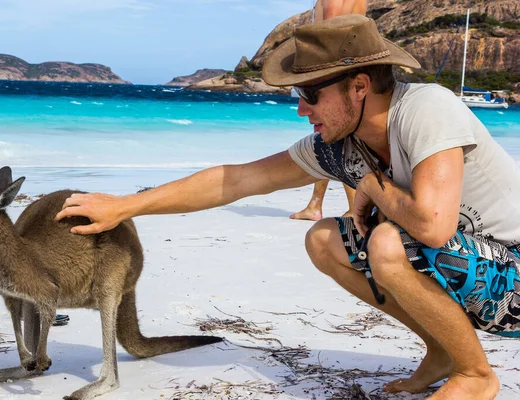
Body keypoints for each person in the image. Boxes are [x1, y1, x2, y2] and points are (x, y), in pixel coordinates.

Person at [55, 15, 520, 400]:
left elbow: (434, 228)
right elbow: (236, 180)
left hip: (514, 279)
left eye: (310, 94)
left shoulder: (425, 108)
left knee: (384, 240)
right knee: (324, 240)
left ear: (359, 86)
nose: (301, 110)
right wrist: (125, 206)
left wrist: (373, 186)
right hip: (468, 276)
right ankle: (441, 348)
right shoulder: (341, 143)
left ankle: (476, 375)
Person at [290, 0, 367, 221]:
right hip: (346, 74)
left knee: (336, 141)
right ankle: (316, 204)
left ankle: (354, 209)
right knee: (326, 139)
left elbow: (329, 36)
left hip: (332, 77)